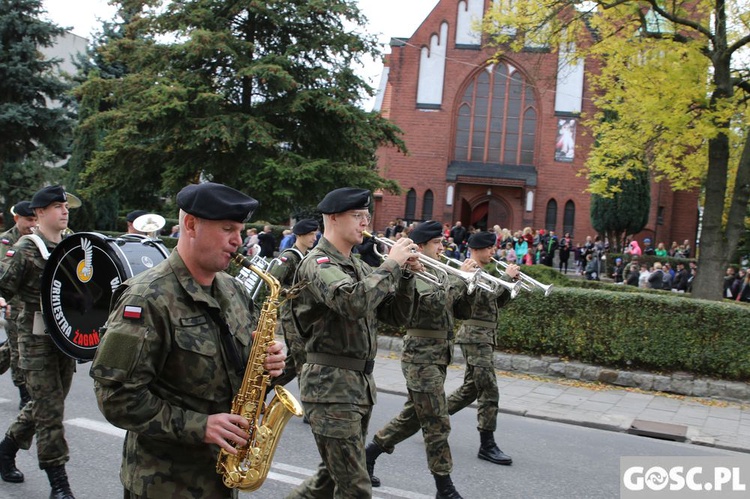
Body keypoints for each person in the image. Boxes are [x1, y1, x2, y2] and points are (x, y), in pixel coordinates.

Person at [90, 182, 286, 498]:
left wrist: (270, 364)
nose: (238, 241)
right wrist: (200, 426)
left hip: (221, 478)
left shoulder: (233, 291)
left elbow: (245, 377)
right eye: (228, 229)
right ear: (191, 225)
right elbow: (116, 398)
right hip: (164, 486)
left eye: (240, 230)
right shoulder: (146, 299)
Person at [285, 187, 419, 499]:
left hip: (357, 386)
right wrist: (391, 266)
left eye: (366, 216)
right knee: (355, 488)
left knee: (328, 481)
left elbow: (396, 317)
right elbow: (352, 302)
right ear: (333, 218)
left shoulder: (357, 266)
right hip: (330, 387)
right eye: (357, 216)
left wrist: (407, 277)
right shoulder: (318, 264)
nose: (365, 223)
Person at [365, 221, 474, 499]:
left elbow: (459, 310)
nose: (442, 247)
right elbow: (436, 301)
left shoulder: (439, 271)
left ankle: (370, 453)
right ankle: (444, 488)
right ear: (421, 246)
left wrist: (472, 287)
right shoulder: (411, 272)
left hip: (438, 356)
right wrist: (461, 278)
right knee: (437, 422)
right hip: (420, 358)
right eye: (437, 243)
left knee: (414, 416)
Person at [0, 186, 78, 498]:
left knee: (45, 405)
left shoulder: (72, 245)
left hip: (64, 339)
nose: (64, 211)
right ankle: (59, 484)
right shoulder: (26, 248)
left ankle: (5, 450)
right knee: (50, 411)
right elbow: (4, 288)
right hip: (33, 341)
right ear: (40, 212)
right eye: (58, 206)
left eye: (66, 206)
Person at [446, 232, 519, 468]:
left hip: (485, 337)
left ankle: (428, 417)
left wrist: (511, 284)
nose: (493, 253)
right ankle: (487, 445)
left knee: (470, 390)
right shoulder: (469, 271)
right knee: (489, 390)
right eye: (489, 249)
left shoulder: (485, 273)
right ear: (477, 249)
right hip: (475, 337)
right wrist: (504, 280)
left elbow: (496, 303)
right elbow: (480, 299)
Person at [268, 218, 319, 392]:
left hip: (303, 315)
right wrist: (288, 292)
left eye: (315, 234)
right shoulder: (289, 256)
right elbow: (271, 282)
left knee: (291, 362)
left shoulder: (307, 257)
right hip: (291, 316)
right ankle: (309, 405)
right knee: (303, 360)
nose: (314, 238)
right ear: (300, 235)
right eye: (311, 234)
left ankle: (262, 390)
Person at [0, 201, 37, 409]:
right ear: (17, 219)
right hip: (13, 304)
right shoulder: (7, 241)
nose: (32, 224)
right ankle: (25, 393)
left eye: (35, 219)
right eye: (28, 220)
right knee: (18, 350)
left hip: (33, 304)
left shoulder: (39, 239)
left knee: (14, 346)